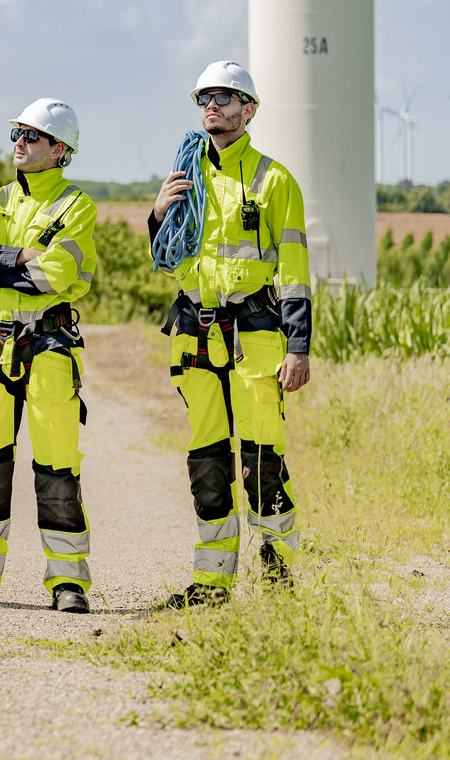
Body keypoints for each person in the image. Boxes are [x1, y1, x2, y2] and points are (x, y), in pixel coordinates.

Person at [150, 61, 311, 608]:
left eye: (224, 96)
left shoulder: (274, 179)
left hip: (256, 337)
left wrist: (299, 346)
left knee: (263, 460)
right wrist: (157, 216)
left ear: (250, 108)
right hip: (195, 333)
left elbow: (293, 268)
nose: (211, 105)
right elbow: (168, 258)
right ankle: (212, 585)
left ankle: (277, 583)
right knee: (208, 463)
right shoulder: (186, 179)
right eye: (203, 98)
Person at [0, 99, 97, 613]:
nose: (20, 144)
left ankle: (68, 583)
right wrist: (21, 256)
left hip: (49, 347)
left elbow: (58, 275)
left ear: (60, 150)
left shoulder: (77, 207)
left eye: (33, 136)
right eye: (17, 134)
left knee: (57, 466)